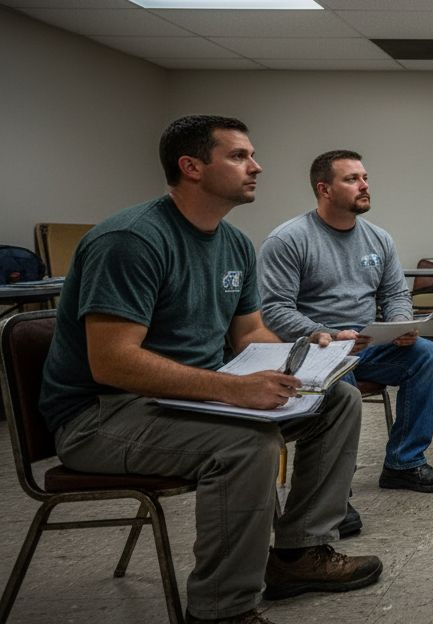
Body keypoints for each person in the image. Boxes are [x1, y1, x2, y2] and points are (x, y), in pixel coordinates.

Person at [39, 116, 381, 624]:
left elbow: (248, 335)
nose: (256, 166)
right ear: (192, 167)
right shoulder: (131, 240)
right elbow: (111, 362)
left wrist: (313, 352)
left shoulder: (234, 244)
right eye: (239, 156)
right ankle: (223, 609)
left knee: (339, 399)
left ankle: (297, 554)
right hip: (102, 415)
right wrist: (232, 390)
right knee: (247, 446)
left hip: (189, 400)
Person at [258, 150, 433, 507]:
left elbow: (394, 294)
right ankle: (331, 492)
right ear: (324, 189)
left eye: (364, 177)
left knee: (427, 356)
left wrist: (398, 326)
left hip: (369, 345)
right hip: (318, 350)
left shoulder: (379, 239)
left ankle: (404, 463)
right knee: (339, 379)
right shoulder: (288, 240)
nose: (364, 185)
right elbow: (275, 310)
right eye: (351, 179)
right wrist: (327, 335)